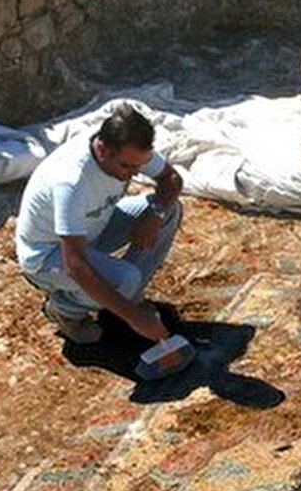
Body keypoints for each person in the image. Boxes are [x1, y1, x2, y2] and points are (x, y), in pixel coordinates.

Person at [15, 104, 183, 345]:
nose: (135, 174)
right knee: (126, 280)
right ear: (103, 149)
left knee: (169, 209)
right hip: (49, 255)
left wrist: (154, 215)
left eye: (140, 165)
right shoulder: (70, 182)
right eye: (127, 166)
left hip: (94, 227)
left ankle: (125, 296)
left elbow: (172, 178)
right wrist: (136, 318)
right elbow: (76, 265)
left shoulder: (126, 149)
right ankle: (65, 309)